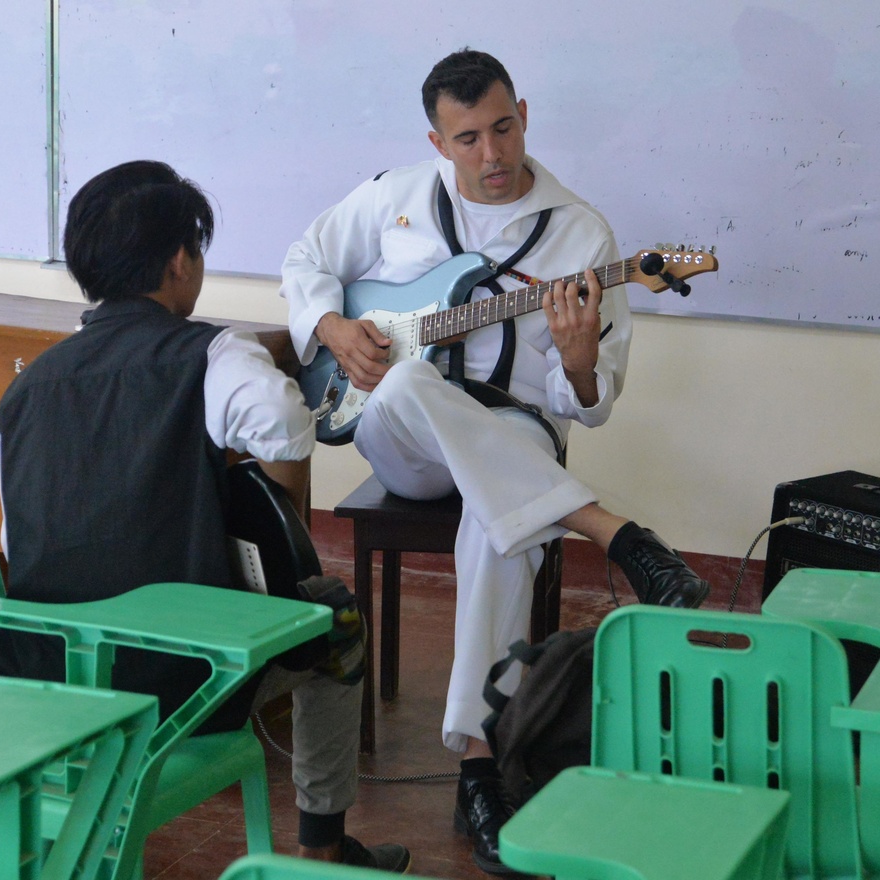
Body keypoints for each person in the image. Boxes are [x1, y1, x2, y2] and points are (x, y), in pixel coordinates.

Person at [281, 49, 709, 874]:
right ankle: (610, 532)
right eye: (469, 137)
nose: (493, 156)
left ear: (525, 114)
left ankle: (479, 766)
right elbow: (306, 260)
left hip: (514, 434)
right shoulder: (393, 197)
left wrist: (580, 362)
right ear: (437, 141)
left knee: (500, 522)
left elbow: (590, 398)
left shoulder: (583, 235)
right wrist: (333, 329)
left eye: (505, 129)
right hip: (401, 437)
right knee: (405, 381)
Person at [0, 160, 410, 873]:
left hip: (45, 682)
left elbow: (17, 537)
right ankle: (323, 848)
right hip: (177, 685)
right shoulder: (210, 353)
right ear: (181, 261)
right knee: (337, 617)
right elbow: (286, 428)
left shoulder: (25, 390)